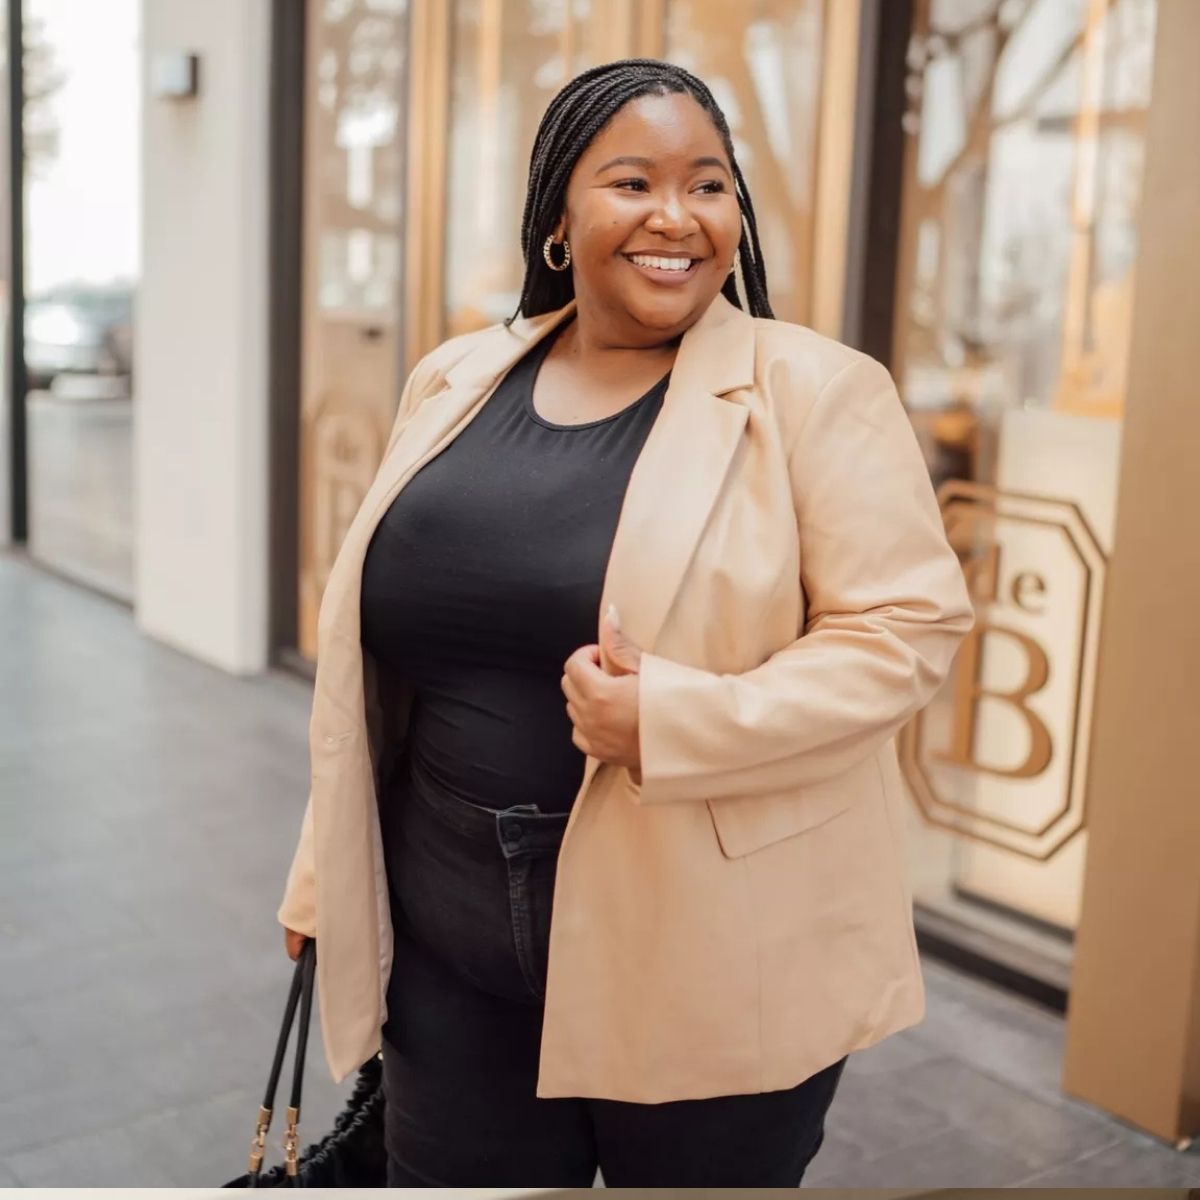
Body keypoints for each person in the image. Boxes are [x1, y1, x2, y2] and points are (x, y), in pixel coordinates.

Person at [278, 58, 975, 1187]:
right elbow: (380, 676)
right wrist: (326, 870)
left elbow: (906, 633)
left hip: (713, 952)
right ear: (560, 212)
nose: (677, 217)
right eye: (633, 182)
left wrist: (676, 717)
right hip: (446, 954)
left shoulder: (816, 392)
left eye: (708, 186)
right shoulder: (455, 379)